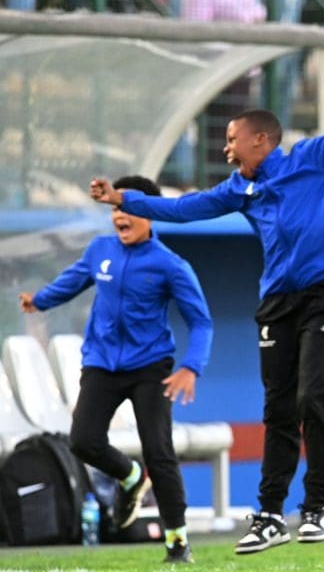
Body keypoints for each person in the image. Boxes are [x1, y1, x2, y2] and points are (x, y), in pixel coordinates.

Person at [90, 54, 324, 554]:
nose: (226, 147)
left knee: (314, 398)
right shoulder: (240, 188)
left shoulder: (309, 158)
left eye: (232, 139)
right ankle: (271, 514)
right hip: (276, 303)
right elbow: (184, 208)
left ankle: (317, 507)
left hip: (322, 292)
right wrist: (126, 201)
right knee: (277, 408)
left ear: (261, 140)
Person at [19, 176, 213, 564]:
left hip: (150, 368)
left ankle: (177, 542)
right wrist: (38, 301)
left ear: (152, 215)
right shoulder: (99, 250)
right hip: (102, 364)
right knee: (83, 441)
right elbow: (72, 282)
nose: (121, 216)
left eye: (130, 208)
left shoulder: (171, 265)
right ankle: (130, 477)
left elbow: (201, 322)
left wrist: (191, 366)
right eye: (116, 209)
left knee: (160, 451)